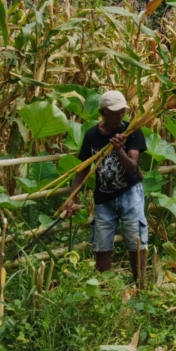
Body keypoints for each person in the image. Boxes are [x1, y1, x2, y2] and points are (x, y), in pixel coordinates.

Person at [62, 90, 148, 281]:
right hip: (103, 198)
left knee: (136, 243)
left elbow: (133, 168)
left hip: (130, 194)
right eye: (115, 112)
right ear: (103, 113)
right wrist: (72, 196)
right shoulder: (92, 135)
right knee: (101, 246)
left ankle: (141, 289)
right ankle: (104, 293)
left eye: (122, 111)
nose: (120, 116)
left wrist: (119, 149)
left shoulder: (132, 131)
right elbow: (83, 168)